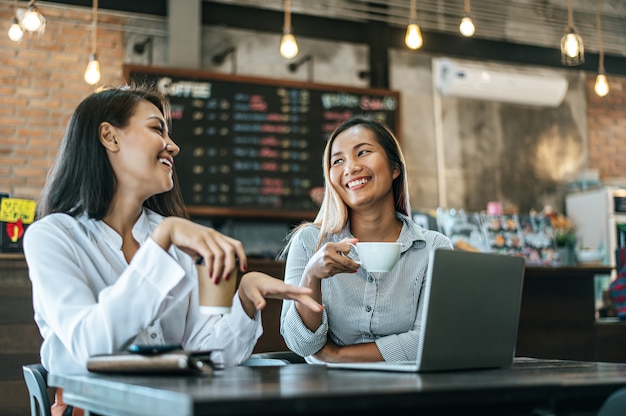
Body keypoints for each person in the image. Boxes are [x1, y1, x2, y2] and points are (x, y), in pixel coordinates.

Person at [23, 86, 322, 416]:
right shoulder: (52, 237)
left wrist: (245, 301)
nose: (173, 146)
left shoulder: (174, 238)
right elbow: (88, 346)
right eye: (156, 128)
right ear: (109, 137)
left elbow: (208, 354)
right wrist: (162, 241)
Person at [279, 116, 452, 364]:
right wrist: (312, 276)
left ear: (395, 167)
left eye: (363, 153)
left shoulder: (434, 248)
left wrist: (335, 355)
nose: (351, 167)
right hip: (328, 395)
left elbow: (428, 341)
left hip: (409, 395)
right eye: (338, 160)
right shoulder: (309, 242)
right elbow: (301, 344)